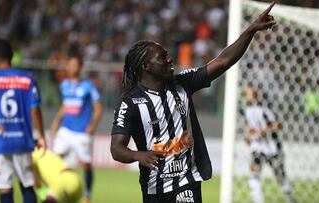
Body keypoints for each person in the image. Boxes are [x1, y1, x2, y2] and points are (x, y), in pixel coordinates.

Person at [110, 2, 277, 202]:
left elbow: (223, 61)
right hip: (155, 189)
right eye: (162, 57)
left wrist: (250, 30)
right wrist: (138, 156)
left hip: (186, 182)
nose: (169, 59)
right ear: (146, 66)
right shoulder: (131, 103)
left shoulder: (183, 83)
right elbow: (116, 149)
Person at [0, 39, 47, 203]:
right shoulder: (27, 79)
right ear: (11, 56)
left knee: (5, 187)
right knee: (27, 184)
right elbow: (35, 109)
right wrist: (42, 136)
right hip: (22, 141)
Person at [50, 54, 103, 202]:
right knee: (55, 160)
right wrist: (56, 121)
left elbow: (98, 108)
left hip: (81, 132)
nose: (71, 67)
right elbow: (65, 106)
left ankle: (86, 195)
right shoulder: (64, 84)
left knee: (86, 164)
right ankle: (55, 190)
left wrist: (92, 126)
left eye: (74, 64)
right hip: (65, 129)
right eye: (69, 64)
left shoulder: (88, 86)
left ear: (80, 67)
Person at [242, 84, 296, 203]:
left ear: (256, 93)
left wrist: (264, 131)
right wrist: (248, 136)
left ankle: (291, 198)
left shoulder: (265, 108)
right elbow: (247, 127)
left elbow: (279, 124)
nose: (246, 95)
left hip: (272, 148)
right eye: (245, 93)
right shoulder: (246, 110)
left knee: (280, 177)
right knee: (254, 173)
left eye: (248, 92)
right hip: (257, 148)